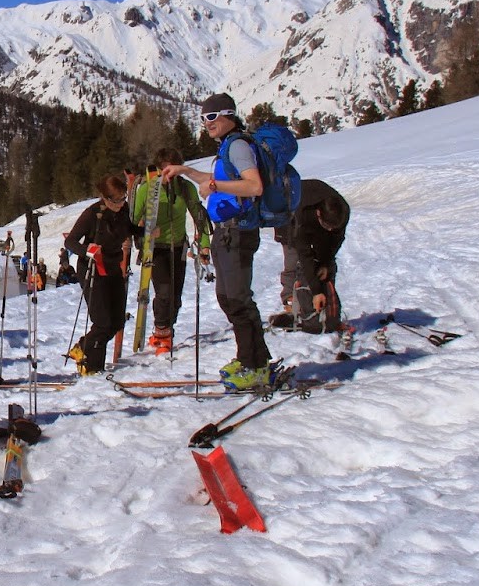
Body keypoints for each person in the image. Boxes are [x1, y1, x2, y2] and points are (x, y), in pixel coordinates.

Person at [162, 93, 275, 391]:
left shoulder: (237, 146)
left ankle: (257, 366)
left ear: (228, 116)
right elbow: (215, 180)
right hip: (226, 233)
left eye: (212, 117)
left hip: (238, 232)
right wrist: (186, 171)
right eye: (203, 118)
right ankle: (249, 358)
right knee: (228, 298)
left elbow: (254, 185)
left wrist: (213, 185)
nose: (206, 123)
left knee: (238, 299)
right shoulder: (227, 147)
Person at [62, 174, 144, 375]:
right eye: (116, 200)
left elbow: (127, 228)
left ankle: (83, 347)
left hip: (113, 266)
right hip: (92, 269)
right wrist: (87, 249)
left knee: (116, 320)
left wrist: (144, 232)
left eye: (123, 198)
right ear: (105, 198)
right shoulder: (92, 214)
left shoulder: (123, 209)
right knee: (102, 321)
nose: (121, 203)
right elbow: (70, 241)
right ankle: (91, 366)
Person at [137, 147, 211, 354]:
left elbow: (199, 216)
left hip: (178, 246)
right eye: (165, 172)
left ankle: (168, 328)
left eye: (173, 171)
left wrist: (204, 243)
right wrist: (142, 233)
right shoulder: (147, 190)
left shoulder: (186, 188)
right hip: (155, 249)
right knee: (164, 292)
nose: (169, 177)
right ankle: (161, 331)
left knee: (175, 296)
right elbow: (133, 219)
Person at [270, 178, 351, 333]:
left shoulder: (342, 213)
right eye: (326, 226)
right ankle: (292, 303)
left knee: (326, 265)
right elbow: (305, 254)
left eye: (332, 228)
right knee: (293, 260)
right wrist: (316, 291)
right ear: (319, 214)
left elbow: (335, 241)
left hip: (313, 217)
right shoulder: (303, 214)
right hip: (288, 216)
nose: (329, 230)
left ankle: (328, 311)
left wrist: (325, 263)